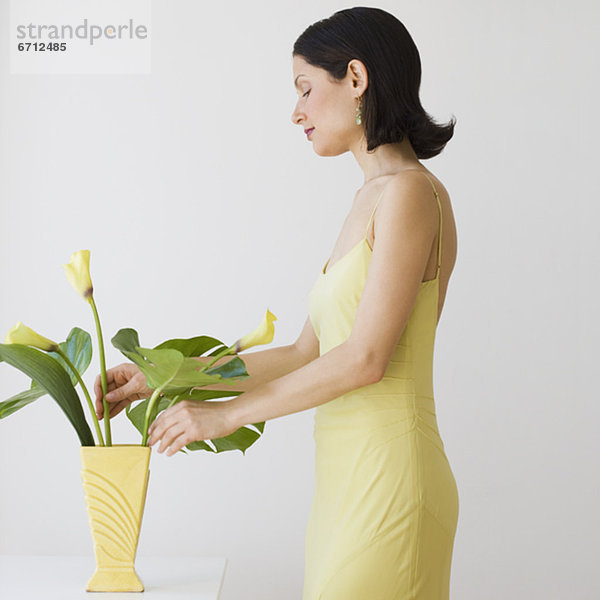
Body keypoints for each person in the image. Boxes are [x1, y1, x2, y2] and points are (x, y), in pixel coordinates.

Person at [95, 7, 460, 599]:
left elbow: (365, 359)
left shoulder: (411, 195)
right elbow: (300, 353)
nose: (296, 112)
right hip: (346, 478)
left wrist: (224, 417)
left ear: (357, 78)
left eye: (306, 89)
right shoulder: (369, 199)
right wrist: (161, 375)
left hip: (393, 476)